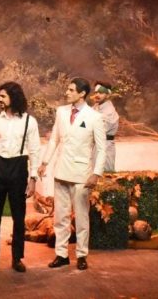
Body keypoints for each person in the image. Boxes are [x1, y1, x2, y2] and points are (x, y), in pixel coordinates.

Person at [39, 77, 105, 271]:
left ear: (82, 93)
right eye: (67, 89)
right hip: (61, 170)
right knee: (61, 217)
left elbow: (102, 149)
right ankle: (61, 254)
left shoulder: (94, 117)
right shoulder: (61, 112)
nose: (66, 93)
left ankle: (82, 255)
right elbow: (54, 139)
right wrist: (45, 162)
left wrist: (96, 173)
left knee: (82, 217)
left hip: (82, 174)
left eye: (71, 90)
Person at [0, 82, 41, 273]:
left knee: (18, 216)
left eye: (3, 96)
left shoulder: (29, 121)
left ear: (13, 97)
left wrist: (33, 178)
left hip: (18, 167)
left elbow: (35, 150)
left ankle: (17, 258)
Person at [92, 81, 119, 173]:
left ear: (107, 95)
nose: (97, 95)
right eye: (96, 92)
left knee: (104, 174)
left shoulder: (109, 111)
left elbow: (99, 129)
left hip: (105, 146)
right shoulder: (96, 106)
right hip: (96, 145)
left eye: (101, 93)